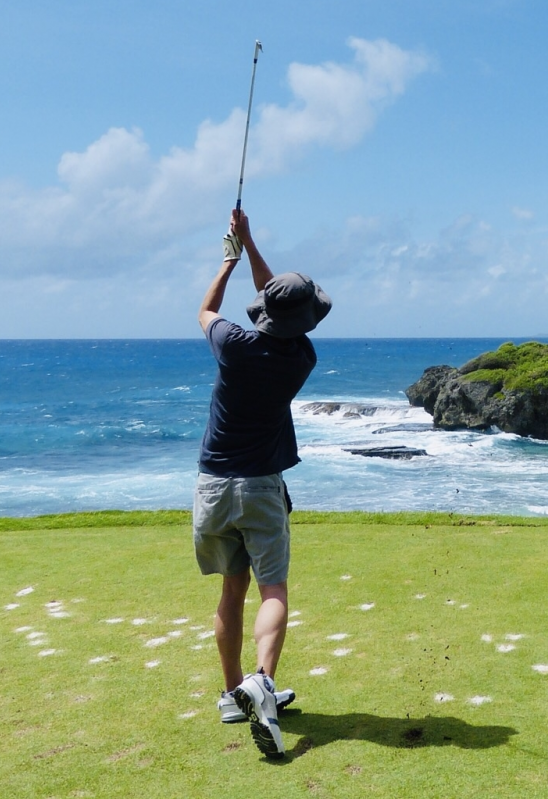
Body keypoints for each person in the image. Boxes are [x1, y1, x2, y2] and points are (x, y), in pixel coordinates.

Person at [193, 208, 331, 759]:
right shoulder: (301, 356)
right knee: (273, 589)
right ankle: (263, 684)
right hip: (259, 487)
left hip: (212, 486)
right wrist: (253, 249)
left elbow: (205, 310)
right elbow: (278, 307)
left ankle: (232, 694)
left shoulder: (232, 343)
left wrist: (230, 258)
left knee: (232, 590)